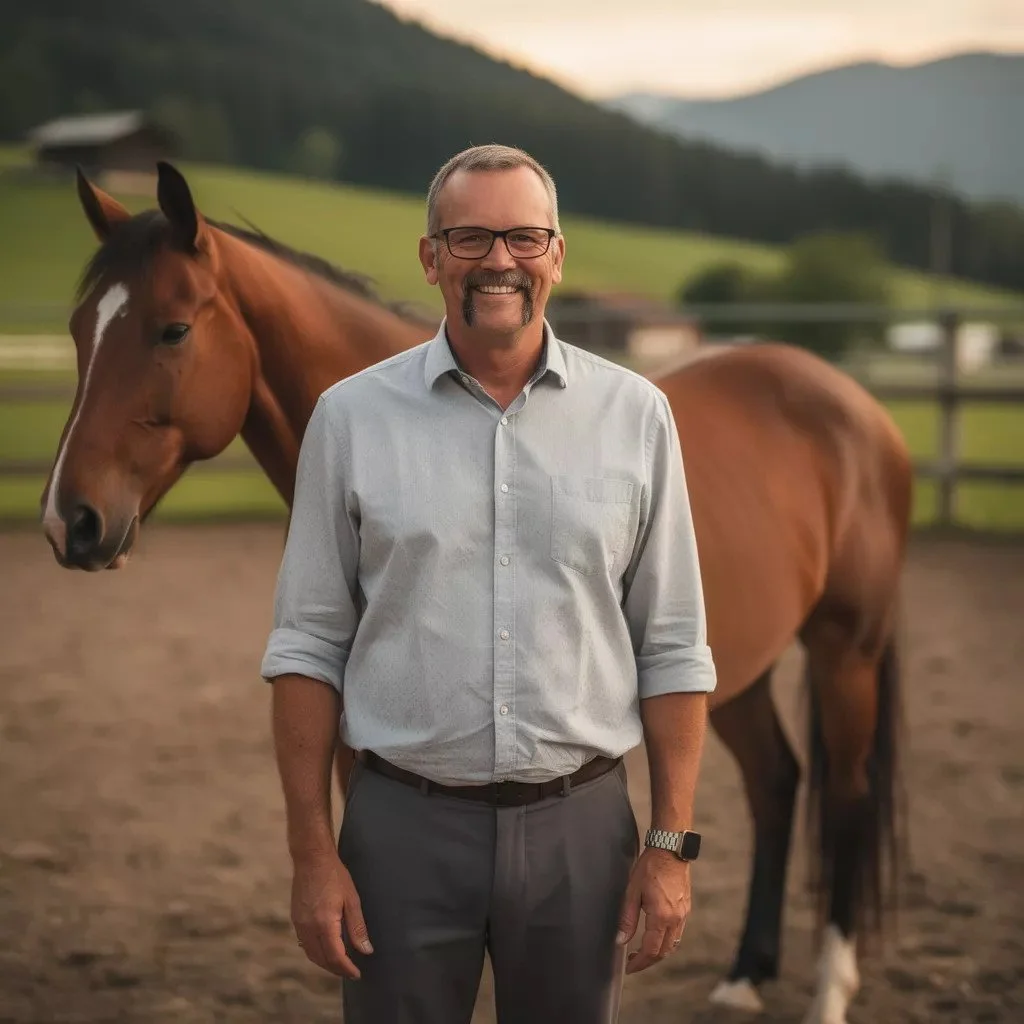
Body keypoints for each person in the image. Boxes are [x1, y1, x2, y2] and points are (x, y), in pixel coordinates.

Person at [260, 143, 717, 1024]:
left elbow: (672, 644)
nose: (498, 260)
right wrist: (313, 854)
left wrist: (669, 846)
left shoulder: (636, 417)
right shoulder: (349, 419)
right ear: (430, 258)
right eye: (469, 239)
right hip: (398, 832)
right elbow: (307, 647)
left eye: (522, 237)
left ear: (556, 254)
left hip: (582, 834)